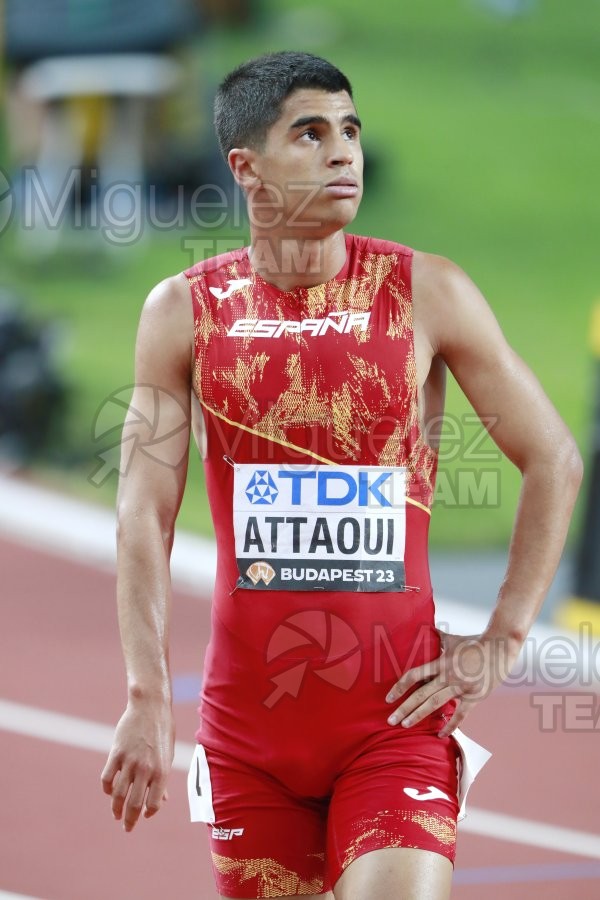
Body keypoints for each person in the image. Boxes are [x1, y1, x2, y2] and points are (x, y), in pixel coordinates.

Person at [101, 51, 582, 900]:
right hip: (252, 738)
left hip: (393, 727)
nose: (344, 152)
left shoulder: (426, 292)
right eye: (312, 133)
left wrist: (504, 636)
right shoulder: (183, 313)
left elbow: (553, 456)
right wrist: (145, 692)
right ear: (245, 168)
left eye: (351, 130)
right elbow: (145, 511)